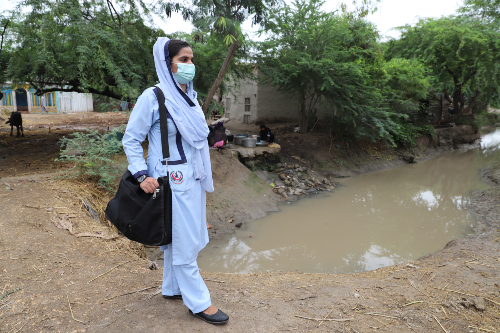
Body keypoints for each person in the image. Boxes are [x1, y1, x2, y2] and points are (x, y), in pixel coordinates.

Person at [122, 38, 229, 325]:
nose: (189, 66)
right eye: (183, 60)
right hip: (168, 178)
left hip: (192, 177)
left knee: (181, 236)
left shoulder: (190, 98)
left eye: (191, 60)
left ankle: (171, 288)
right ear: (166, 63)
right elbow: (131, 139)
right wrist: (141, 174)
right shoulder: (153, 97)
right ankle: (199, 303)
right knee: (183, 241)